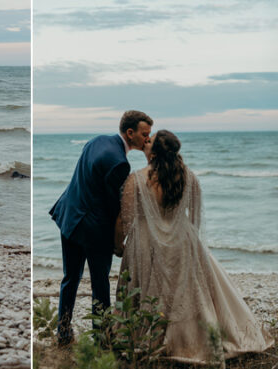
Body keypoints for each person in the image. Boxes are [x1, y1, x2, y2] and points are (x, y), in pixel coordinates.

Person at [115, 130, 274, 363]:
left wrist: (119, 245)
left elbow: (126, 218)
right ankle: (191, 338)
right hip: (182, 240)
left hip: (146, 242)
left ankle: (146, 337)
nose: (145, 142)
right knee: (186, 290)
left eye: (149, 141)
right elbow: (193, 216)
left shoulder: (136, 179)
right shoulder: (189, 177)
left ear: (155, 150)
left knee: (148, 289)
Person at [49, 110, 153, 346]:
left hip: (70, 218)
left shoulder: (97, 140)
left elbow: (84, 180)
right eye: (145, 134)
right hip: (94, 230)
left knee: (70, 278)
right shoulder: (119, 164)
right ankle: (103, 339)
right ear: (130, 133)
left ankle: (63, 333)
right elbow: (113, 208)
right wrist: (117, 243)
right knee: (100, 283)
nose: (148, 139)